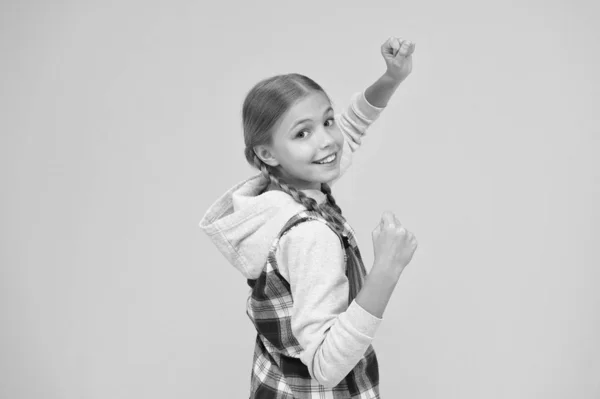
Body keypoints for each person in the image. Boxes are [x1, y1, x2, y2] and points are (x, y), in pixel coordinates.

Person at [199, 36, 419, 398]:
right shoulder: (308, 236)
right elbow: (326, 366)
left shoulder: (279, 196)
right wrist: (386, 270)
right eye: (303, 132)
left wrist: (391, 79)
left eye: (327, 121)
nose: (327, 141)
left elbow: (351, 127)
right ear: (267, 153)